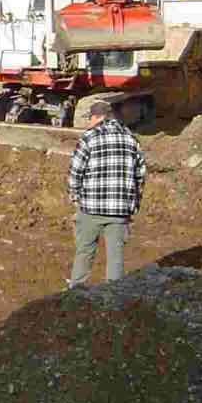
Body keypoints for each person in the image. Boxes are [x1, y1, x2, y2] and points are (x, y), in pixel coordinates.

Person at [67, 101, 146, 287]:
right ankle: (114, 297)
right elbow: (140, 177)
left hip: (90, 208)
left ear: (96, 117)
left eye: (89, 118)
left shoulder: (88, 138)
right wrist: (133, 205)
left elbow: (75, 173)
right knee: (116, 255)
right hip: (120, 210)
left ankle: (75, 292)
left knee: (84, 252)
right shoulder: (131, 139)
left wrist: (75, 198)